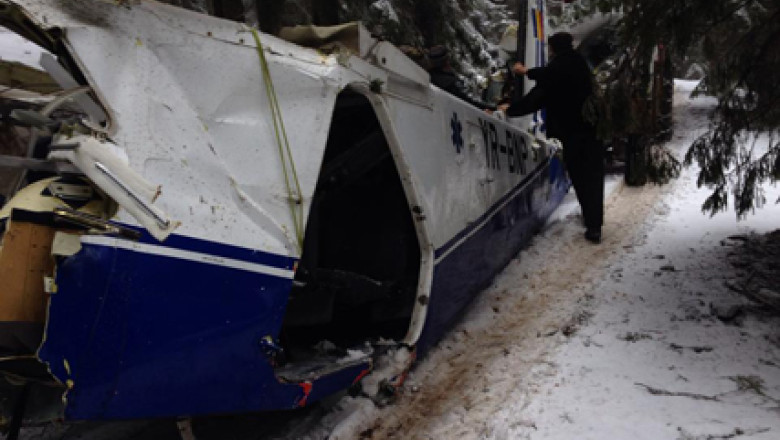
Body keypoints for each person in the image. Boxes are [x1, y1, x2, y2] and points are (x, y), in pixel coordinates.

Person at [502, 32, 604, 244]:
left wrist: (511, 110)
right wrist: (529, 72)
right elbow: (549, 74)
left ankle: (592, 223)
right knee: (593, 177)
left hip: (572, 132)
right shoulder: (578, 63)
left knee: (580, 176)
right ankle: (595, 223)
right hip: (593, 129)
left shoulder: (557, 71)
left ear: (553, 49)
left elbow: (537, 97)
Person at [427, 45, 496, 111]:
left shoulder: (428, 78)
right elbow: (469, 100)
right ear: (447, 61)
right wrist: (492, 108)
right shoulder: (450, 83)